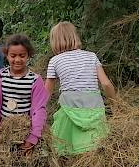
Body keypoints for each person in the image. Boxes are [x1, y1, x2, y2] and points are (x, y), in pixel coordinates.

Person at [44, 21, 116, 155]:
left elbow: (45, 93)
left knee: (62, 149)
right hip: (94, 107)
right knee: (96, 150)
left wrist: (37, 112)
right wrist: (116, 105)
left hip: (69, 108)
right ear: (75, 36)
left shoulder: (55, 60)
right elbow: (106, 84)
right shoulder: (91, 56)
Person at [0, 34, 49, 153]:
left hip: (25, 134)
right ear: (6, 55)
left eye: (22, 56)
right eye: (13, 56)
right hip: (2, 132)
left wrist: (33, 137)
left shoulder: (34, 80)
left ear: (28, 55)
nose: (17, 60)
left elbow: (39, 110)